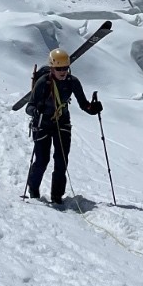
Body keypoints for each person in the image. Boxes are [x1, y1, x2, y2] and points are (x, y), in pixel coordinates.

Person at [25, 48, 101, 203]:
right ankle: (33, 190)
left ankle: (57, 196)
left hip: (62, 123)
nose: (63, 71)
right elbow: (29, 106)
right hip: (43, 124)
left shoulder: (73, 82)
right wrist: (36, 111)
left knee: (61, 161)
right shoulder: (43, 82)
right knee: (42, 160)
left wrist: (93, 109)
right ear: (52, 68)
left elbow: (83, 104)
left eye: (65, 68)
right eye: (59, 68)